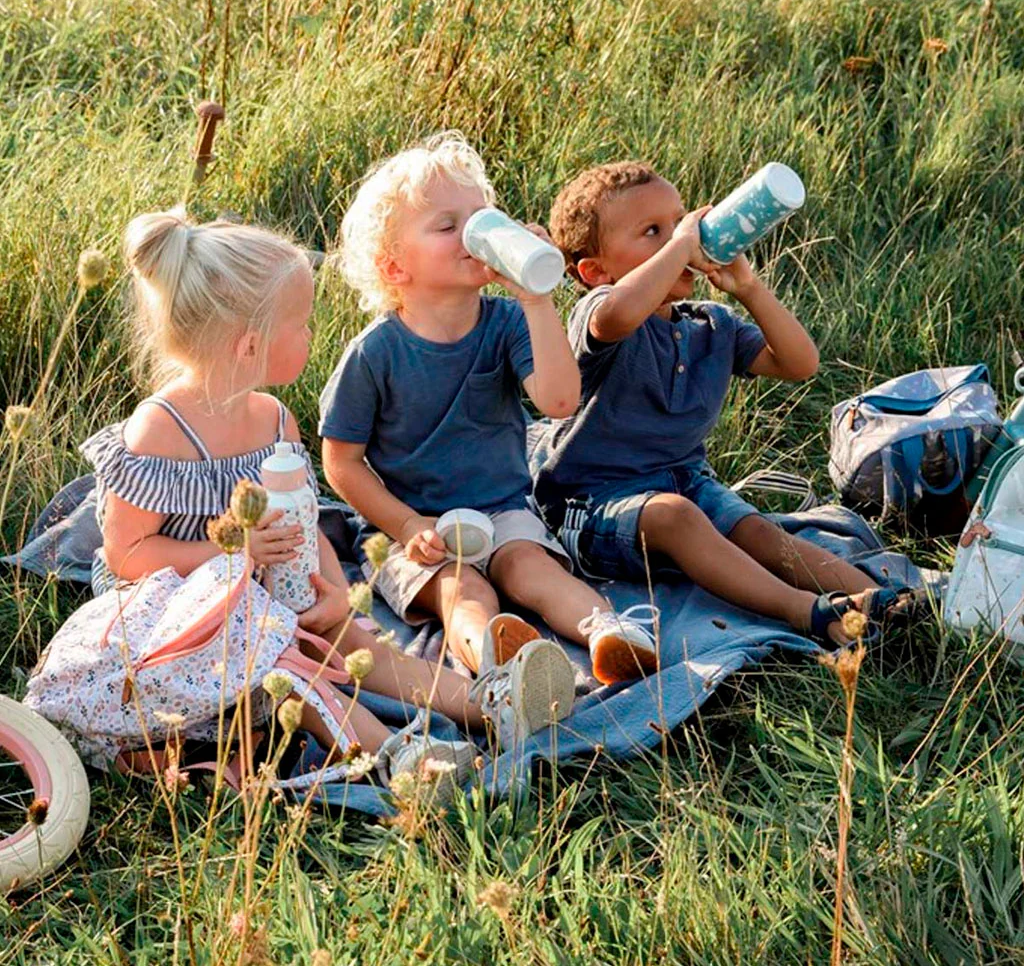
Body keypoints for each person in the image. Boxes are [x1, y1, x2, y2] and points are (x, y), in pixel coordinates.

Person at [68, 207, 561, 795]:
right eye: (300, 324)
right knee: (291, 661)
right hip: (177, 607)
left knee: (354, 642)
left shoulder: (273, 421)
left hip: (265, 588)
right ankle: (397, 755)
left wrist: (334, 594)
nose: (310, 335)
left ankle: (491, 704)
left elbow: (304, 523)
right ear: (251, 343)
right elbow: (127, 555)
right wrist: (230, 550)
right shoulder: (159, 431)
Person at [319, 133, 659, 697]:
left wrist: (536, 299)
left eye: (481, 217)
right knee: (464, 594)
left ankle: (609, 634)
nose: (473, 234)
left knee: (530, 567)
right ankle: (510, 672)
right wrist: (405, 526)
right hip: (414, 527)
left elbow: (559, 402)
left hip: (501, 506)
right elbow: (341, 462)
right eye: (448, 226)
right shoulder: (376, 352)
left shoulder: (505, 323)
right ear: (394, 267)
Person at [533, 161, 920, 647]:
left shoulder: (710, 324)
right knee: (675, 517)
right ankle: (808, 612)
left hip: (688, 481)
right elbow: (619, 314)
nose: (681, 239)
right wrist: (679, 248)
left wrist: (749, 289)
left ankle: (885, 597)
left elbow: (800, 363)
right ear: (595, 271)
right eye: (653, 231)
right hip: (591, 501)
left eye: (678, 222)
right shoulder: (600, 313)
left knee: (758, 531)